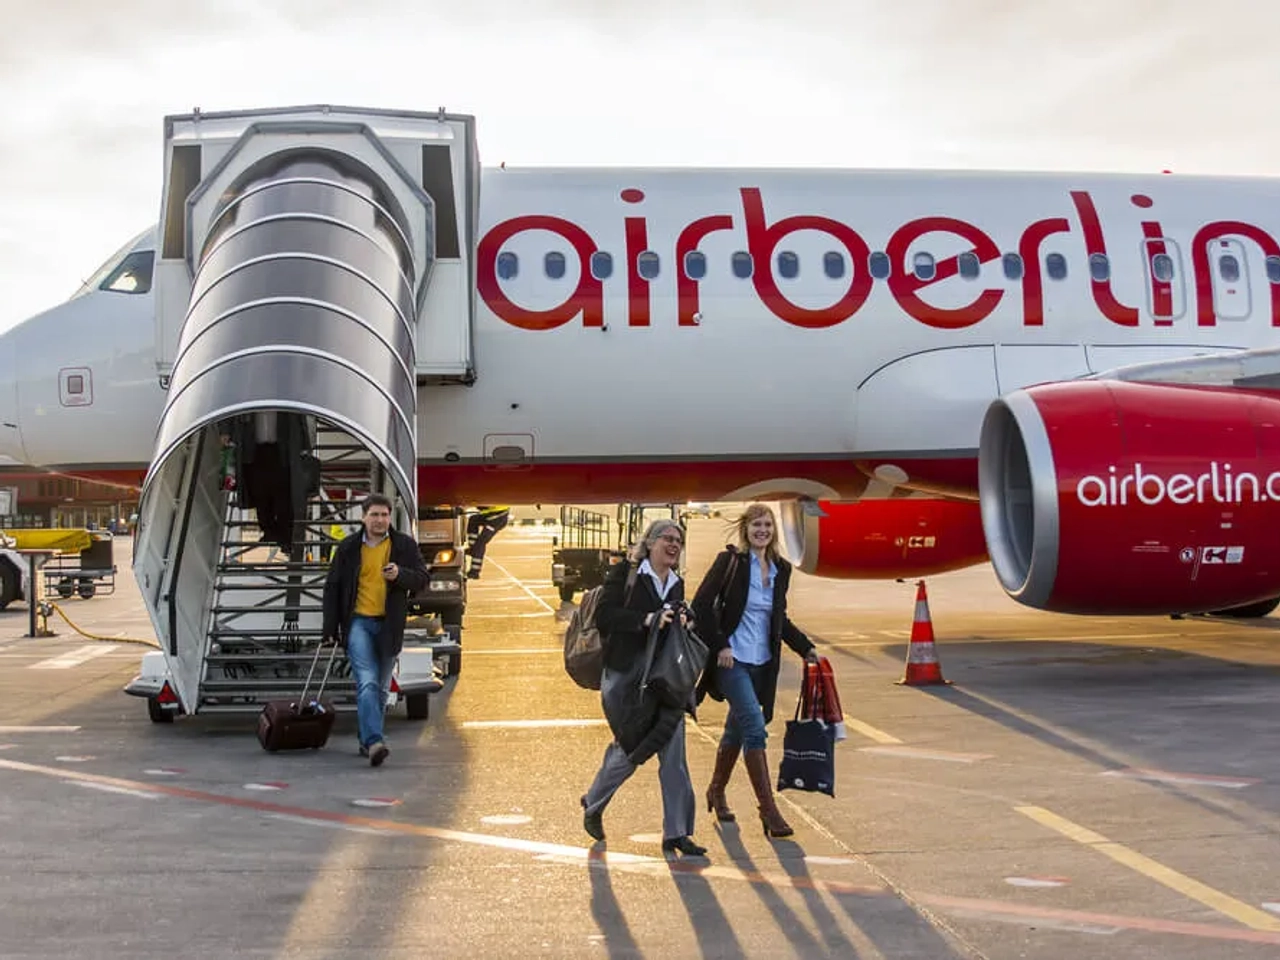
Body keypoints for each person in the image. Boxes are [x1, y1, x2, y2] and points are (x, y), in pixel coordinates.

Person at [580, 518, 708, 857]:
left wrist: (683, 620)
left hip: (664, 682)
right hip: (627, 679)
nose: (674, 544)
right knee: (629, 750)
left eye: (678, 540)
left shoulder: (677, 583)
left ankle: (677, 833)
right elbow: (605, 618)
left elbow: (676, 628)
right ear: (649, 542)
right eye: (667, 538)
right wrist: (647, 620)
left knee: (674, 757)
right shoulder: (627, 574)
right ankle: (593, 802)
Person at [691, 502, 818, 839]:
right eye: (756, 525)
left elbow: (780, 620)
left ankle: (716, 791)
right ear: (745, 529)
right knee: (755, 729)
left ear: (773, 532)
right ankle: (769, 810)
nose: (762, 530)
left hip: (764, 664)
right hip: (732, 663)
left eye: (767, 525)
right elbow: (700, 605)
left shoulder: (780, 569)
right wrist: (721, 645)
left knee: (737, 730)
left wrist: (806, 648)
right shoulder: (730, 562)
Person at [322, 493, 428, 766]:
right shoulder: (347, 548)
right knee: (367, 682)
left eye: (384, 515)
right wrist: (329, 628)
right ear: (363, 517)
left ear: (389, 518)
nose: (380, 520)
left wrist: (400, 575)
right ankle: (374, 742)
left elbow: (422, 580)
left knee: (380, 688)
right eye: (374, 515)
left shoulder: (403, 546)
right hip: (358, 622)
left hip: (389, 625)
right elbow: (332, 588)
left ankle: (365, 737)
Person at [465, 505, 510, 579]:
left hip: (497, 518)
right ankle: (472, 548)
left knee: (480, 543)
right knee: (473, 520)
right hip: (489, 514)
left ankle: (475, 571)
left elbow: (485, 504)